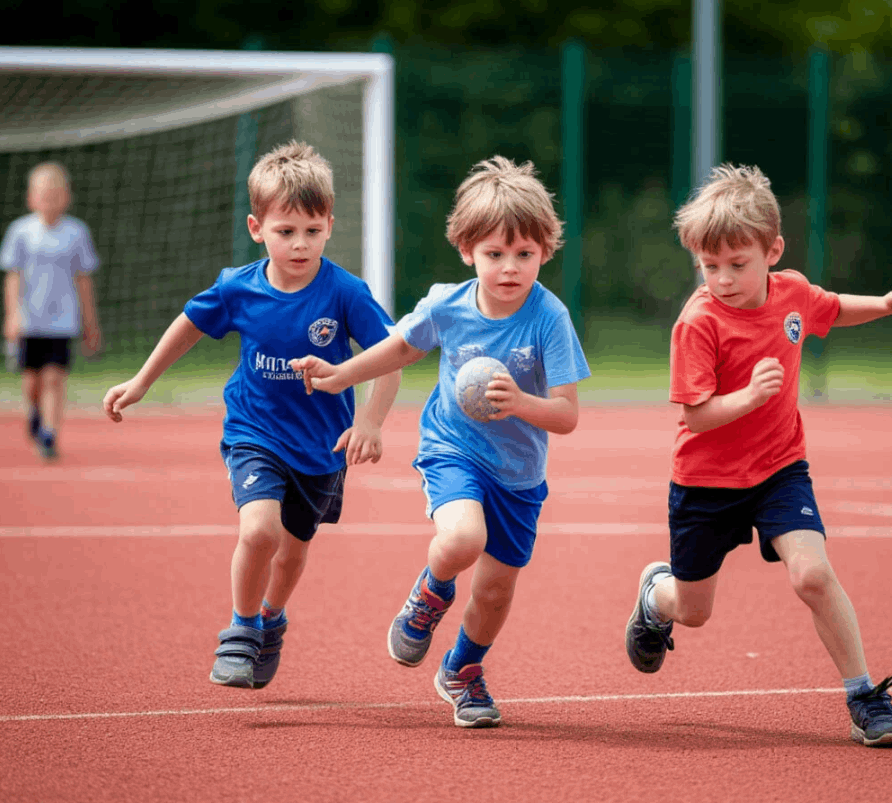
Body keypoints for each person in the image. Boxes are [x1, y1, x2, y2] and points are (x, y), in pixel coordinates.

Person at [624, 164, 892, 747]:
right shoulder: (698, 322)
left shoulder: (791, 292)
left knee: (812, 574)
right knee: (693, 611)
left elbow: (833, 308)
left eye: (737, 264)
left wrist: (888, 303)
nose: (723, 278)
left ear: (773, 250)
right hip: (705, 481)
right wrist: (750, 395)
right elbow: (695, 415)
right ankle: (654, 596)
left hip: (780, 468)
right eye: (709, 267)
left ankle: (865, 695)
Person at [291, 156, 591, 728]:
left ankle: (462, 671)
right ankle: (431, 594)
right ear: (467, 251)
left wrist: (521, 403)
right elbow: (401, 347)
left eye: (524, 254)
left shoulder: (550, 317)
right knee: (461, 539)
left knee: (497, 593)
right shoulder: (447, 305)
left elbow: (567, 415)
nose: (509, 268)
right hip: (453, 448)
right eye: (494, 254)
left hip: (520, 474)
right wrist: (342, 373)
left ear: (544, 253)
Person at [102, 141, 401, 689]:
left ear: (330, 226)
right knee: (259, 530)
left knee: (290, 555)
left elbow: (392, 357)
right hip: (254, 432)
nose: (300, 243)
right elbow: (189, 323)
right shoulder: (238, 287)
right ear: (257, 227)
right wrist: (143, 380)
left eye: (312, 230)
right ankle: (240, 632)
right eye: (286, 231)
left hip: (321, 445)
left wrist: (371, 423)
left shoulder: (345, 292)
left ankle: (271, 619)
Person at [2, 162, 102, 460]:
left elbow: (84, 280)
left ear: (67, 196)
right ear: (31, 197)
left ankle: (49, 432)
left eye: (56, 193)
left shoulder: (76, 232)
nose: (50, 199)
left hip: (62, 321)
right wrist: (12, 314)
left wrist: (90, 323)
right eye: (43, 194)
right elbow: (13, 276)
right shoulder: (20, 232)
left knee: (54, 378)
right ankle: (33, 415)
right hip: (30, 319)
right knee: (32, 381)